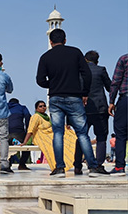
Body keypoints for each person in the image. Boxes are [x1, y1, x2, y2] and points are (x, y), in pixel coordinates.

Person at [36, 29, 108, 177]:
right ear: (65, 40)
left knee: (58, 133)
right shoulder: (75, 53)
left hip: (55, 98)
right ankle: (93, 167)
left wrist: (54, 85)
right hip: (74, 97)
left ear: (50, 41)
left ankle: (60, 168)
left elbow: (40, 80)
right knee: (82, 133)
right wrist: (84, 92)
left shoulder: (45, 57)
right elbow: (86, 74)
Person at [73, 50, 112, 175]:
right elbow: (109, 87)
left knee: (81, 136)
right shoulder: (101, 70)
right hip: (100, 108)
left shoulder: (78, 72)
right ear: (97, 60)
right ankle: (98, 165)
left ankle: (77, 165)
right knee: (101, 137)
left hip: (82, 108)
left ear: (85, 59)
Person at [21, 100, 77, 173]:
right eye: (40, 106)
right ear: (36, 109)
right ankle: (58, 165)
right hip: (42, 137)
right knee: (54, 145)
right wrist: (25, 142)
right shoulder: (36, 117)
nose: (43, 107)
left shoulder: (46, 117)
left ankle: (78, 147)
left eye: (44, 106)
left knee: (66, 134)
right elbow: (30, 130)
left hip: (50, 134)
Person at [108, 53, 128, 176]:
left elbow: (116, 81)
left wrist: (111, 101)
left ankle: (120, 166)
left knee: (120, 132)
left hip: (126, 99)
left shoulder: (124, 59)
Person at [8, 98, 31, 170]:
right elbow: (28, 117)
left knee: (6, 149)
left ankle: (7, 165)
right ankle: (22, 164)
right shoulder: (22, 107)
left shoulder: (4, 107)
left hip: (6, 133)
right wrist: (28, 130)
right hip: (19, 133)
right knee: (26, 147)